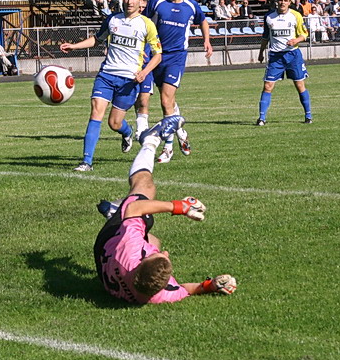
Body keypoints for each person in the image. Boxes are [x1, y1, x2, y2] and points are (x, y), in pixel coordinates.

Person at [94, 114, 237, 304]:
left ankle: (150, 140)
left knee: (144, 187)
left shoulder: (131, 249)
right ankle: (115, 211)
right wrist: (211, 285)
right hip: (102, 263)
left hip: (109, 241)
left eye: (158, 256)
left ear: (140, 262)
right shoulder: (160, 295)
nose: (166, 253)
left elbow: (134, 208)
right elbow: (186, 290)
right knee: (154, 240)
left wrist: (179, 206)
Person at [60, 0, 162, 172]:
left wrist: (144, 72)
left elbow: (157, 55)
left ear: (140, 2)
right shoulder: (112, 19)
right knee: (95, 112)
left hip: (129, 80)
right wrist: (74, 46)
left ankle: (127, 131)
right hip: (106, 75)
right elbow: (97, 39)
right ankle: (86, 162)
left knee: (114, 123)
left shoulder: (146, 24)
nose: (129, 2)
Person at [138, 0, 213, 164]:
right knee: (161, 101)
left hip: (176, 59)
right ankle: (181, 132)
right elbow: (144, 23)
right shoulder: (157, 2)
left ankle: (168, 148)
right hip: (154, 56)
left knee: (165, 101)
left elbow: (203, 21)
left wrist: (207, 40)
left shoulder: (191, 5)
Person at [256, 0, 311, 126]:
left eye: (285, 0)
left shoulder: (296, 16)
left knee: (299, 85)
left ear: (290, 2)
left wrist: (295, 41)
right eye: (280, 0)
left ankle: (308, 115)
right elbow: (265, 36)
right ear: (277, 1)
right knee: (267, 86)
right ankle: (261, 118)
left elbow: (304, 34)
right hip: (275, 56)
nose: (282, 2)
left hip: (293, 55)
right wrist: (261, 52)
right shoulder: (269, 16)